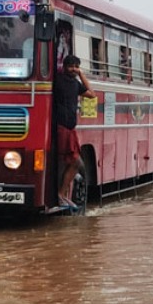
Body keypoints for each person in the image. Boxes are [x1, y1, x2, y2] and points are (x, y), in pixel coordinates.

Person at [54, 55, 96, 208]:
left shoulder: (75, 84)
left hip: (70, 128)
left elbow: (92, 94)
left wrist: (81, 75)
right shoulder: (57, 80)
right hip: (61, 127)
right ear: (64, 67)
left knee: (72, 162)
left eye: (76, 66)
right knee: (75, 161)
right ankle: (60, 194)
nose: (73, 69)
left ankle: (62, 195)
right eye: (71, 66)